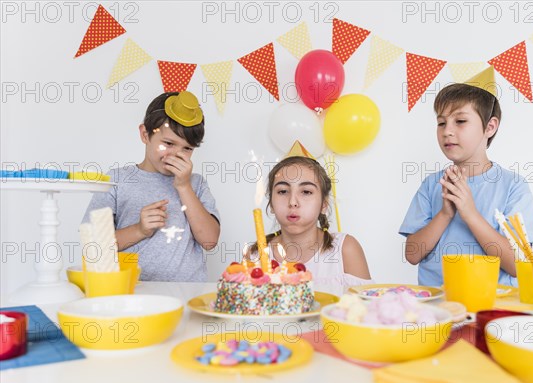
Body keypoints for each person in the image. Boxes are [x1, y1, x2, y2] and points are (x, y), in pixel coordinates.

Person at [400, 83, 533, 287]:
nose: (447, 131)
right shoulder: (431, 184)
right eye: (441, 123)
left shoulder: (513, 186)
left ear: (490, 127)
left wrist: (470, 214)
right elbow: (412, 254)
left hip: (491, 306)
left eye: (460, 121)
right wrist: (445, 215)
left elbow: (518, 265)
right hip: (438, 306)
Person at [82, 91, 220, 281]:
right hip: (132, 291)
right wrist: (139, 230)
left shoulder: (196, 184)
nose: (176, 155)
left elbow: (209, 241)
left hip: (188, 293)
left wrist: (184, 186)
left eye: (187, 148)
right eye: (168, 143)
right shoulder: (117, 180)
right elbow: (92, 246)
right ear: (145, 134)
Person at [249, 146, 372, 293]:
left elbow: (365, 308)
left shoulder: (345, 249)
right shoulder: (257, 254)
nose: (292, 202)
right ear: (271, 205)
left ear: (323, 205)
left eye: (306, 192)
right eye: (282, 191)